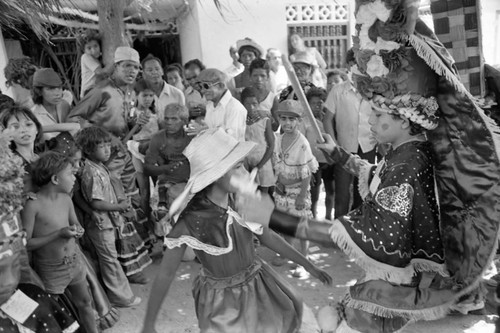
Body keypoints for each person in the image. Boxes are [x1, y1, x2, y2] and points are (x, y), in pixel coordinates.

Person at [141, 128, 331, 333]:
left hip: (259, 284)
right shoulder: (192, 221)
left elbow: (268, 237)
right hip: (222, 303)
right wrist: (149, 324)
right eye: (237, 167)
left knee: (287, 310)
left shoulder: (243, 202)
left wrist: (308, 264)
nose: (245, 174)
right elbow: (166, 273)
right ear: (216, 174)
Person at [68, 46, 152, 237]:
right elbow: (75, 117)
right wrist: (103, 138)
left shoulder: (128, 92)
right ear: (116, 66)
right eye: (127, 66)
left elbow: (120, 124)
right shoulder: (102, 90)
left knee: (132, 199)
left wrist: (136, 123)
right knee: (114, 203)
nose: (133, 71)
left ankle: (139, 244)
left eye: (136, 67)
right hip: (104, 159)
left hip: (123, 155)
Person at [21, 151, 98, 333]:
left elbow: (76, 225)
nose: (75, 176)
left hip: (74, 262)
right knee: (53, 311)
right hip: (51, 268)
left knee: (85, 302)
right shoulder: (33, 205)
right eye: (70, 173)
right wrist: (58, 234)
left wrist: (78, 230)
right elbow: (26, 244)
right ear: (55, 179)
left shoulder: (66, 199)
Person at [75, 126, 144, 307]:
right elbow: (96, 203)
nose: (107, 149)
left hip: (107, 223)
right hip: (100, 224)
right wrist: (118, 206)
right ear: (89, 150)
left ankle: (116, 294)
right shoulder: (92, 171)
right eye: (102, 146)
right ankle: (121, 297)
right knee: (110, 261)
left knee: (109, 258)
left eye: (108, 145)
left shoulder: (99, 167)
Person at [323, 49, 377, 218]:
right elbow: (327, 119)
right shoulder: (338, 90)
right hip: (343, 147)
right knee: (342, 192)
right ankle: (339, 229)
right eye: (355, 64)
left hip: (368, 146)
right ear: (348, 65)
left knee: (362, 190)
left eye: (363, 64)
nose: (359, 68)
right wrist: (334, 145)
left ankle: (358, 228)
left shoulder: (373, 90)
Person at [272, 100, 318, 277]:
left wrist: (300, 197)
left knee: (301, 226)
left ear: (299, 121)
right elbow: (279, 163)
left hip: (298, 191)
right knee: (285, 225)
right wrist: (279, 183)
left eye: (292, 119)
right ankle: (287, 253)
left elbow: (306, 173)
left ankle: (305, 261)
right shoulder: (280, 139)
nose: (287, 123)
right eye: (283, 119)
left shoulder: (302, 143)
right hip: (282, 190)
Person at [144, 103, 192, 217]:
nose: (169, 122)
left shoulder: (192, 137)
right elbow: (147, 167)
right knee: (160, 215)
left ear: (184, 121)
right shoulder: (158, 138)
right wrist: (164, 168)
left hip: (191, 184)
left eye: (174, 119)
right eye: (166, 118)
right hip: (165, 185)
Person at [185, 68, 247, 141]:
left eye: (206, 86)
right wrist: (200, 129)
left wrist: (203, 132)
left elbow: (231, 140)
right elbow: (210, 129)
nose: (202, 90)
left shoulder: (234, 108)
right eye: (201, 87)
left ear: (221, 85)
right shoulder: (210, 105)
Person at [127, 79, 159, 214]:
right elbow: (129, 134)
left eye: (151, 95)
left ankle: (158, 221)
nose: (148, 99)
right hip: (137, 152)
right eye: (144, 95)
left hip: (155, 153)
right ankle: (147, 224)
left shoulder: (155, 113)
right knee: (144, 191)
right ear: (136, 95)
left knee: (159, 188)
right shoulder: (132, 113)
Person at [305, 87, 334, 220]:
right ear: (307, 104)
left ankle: (328, 217)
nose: (317, 106)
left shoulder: (329, 119)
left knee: (330, 190)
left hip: (328, 160)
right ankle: (313, 216)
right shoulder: (305, 120)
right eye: (314, 103)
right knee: (314, 193)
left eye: (321, 102)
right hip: (313, 161)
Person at [0, 105, 43, 194]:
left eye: (28, 124)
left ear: (37, 128)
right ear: (6, 132)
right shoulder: (7, 163)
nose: (23, 130)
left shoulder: (44, 156)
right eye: (15, 127)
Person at [241, 87, 275, 193]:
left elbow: (271, 144)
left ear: (259, 103)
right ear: (242, 104)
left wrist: (259, 166)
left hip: (263, 164)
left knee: (263, 197)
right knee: (247, 196)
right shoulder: (240, 120)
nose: (251, 107)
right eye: (247, 104)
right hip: (245, 164)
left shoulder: (265, 120)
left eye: (254, 104)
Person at [31, 68, 80, 141]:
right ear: (39, 91)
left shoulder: (64, 105)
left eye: (59, 88)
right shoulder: (33, 115)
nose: (57, 93)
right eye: (50, 89)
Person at [141, 54, 185, 120]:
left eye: (157, 69)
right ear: (144, 75)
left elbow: (183, 120)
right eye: (150, 70)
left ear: (162, 71)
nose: (154, 72)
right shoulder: (140, 96)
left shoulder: (177, 94)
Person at [79, 31, 113, 98]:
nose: (93, 51)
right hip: (88, 91)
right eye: (89, 48)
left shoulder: (99, 59)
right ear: (84, 50)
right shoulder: (85, 57)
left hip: (96, 89)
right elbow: (100, 72)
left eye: (95, 46)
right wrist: (114, 63)